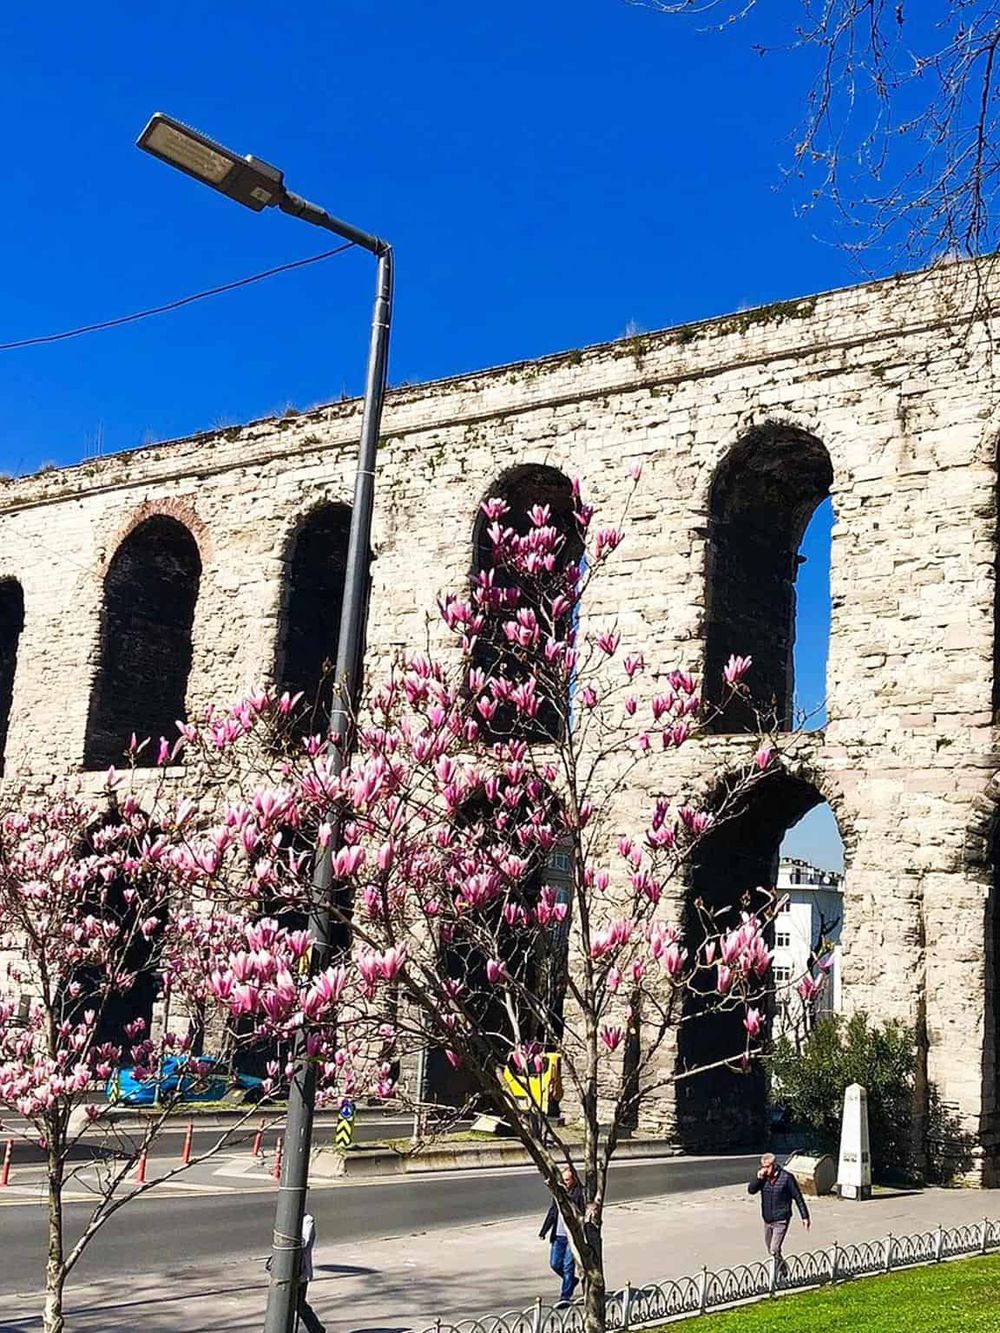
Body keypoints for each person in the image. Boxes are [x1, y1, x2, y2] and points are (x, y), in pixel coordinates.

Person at [747, 1152, 810, 1266]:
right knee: (770, 1248)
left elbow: (798, 1197)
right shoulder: (763, 1178)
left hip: (781, 1219)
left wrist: (805, 1217)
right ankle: (783, 1269)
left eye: (767, 1167)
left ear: (774, 1165)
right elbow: (751, 1190)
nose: (765, 1170)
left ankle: (777, 1275)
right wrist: (757, 1178)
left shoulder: (786, 1178)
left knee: (774, 1249)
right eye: (763, 1166)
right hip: (768, 1219)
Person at [539, 1165, 584, 1306]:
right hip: (558, 1236)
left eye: (568, 1180)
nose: (565, 1183)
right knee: (555, 1264)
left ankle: (565, 1296)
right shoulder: (558, 1193)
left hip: (572, 1236)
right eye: (563, 1180)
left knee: (567, 1266)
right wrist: (544, 1231)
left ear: (574, 1180)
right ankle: (572, 1281)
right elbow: (552, 1212)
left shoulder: (579, 1194)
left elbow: (582, 1214)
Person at [296, 1212, 326, 1333]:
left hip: (301, 1271)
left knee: (299, 1304)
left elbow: (304, 1242)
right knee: (292, 1304)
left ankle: (317, 1329)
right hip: (285, 1271)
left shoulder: (307, 1220)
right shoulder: (284, 1218)